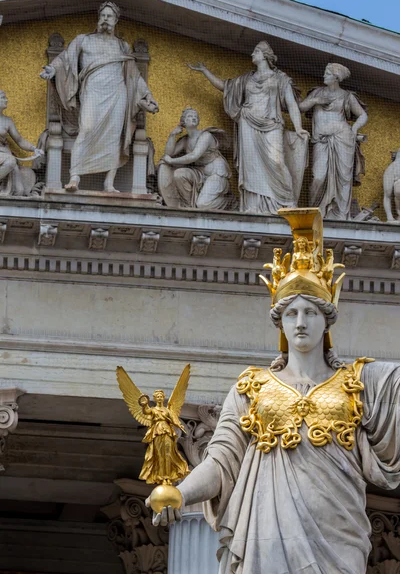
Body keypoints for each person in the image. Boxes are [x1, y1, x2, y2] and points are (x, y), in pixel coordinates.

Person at [150, 208, 400, 574]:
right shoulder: (253, 387)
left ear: (327, 319)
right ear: (279, 322)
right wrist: (181, 493)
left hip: (338, 535)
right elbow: (220, 462)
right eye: (292, 313)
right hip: (267, 536)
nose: (300, 322)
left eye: (311, 312)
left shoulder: (359, 384)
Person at [40, 1, 158, 193]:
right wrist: (52, 69)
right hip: (93, 91)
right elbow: (65, 59)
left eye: (109, 16)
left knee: (115, 136)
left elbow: (134, 75)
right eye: (102, 15)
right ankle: (74, 178)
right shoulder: (83, 40)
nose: (105, 19)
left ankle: (109, 184)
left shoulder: (122, 45)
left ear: (116, 20)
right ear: (98, 18)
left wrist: (147, 96)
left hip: (117, 93)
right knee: (86, 128)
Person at [188, 41, 309, 214]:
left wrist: (298, 128)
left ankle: (288, 201)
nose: (252, 54)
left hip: (272, 124)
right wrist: (205, 71)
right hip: (247, 123)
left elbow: (291, 103)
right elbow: (225, 87)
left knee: (277, 162)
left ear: (264, 55)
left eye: (255, 51)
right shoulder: (246, 79)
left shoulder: (280, 79)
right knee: (251, 166)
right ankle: (254, 205)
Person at [299, 63, 368, 220]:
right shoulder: (318, 92)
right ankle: (315, 213)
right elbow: (301, 107)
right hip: (321, 141)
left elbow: (363, 115)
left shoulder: (346, 96)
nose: (324, 76)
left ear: (336, 77)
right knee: (319, 176)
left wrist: (354, 129)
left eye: (327, 73)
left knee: (343, 179)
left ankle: (340, 215)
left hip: (343, 140)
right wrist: (316, 100)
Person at [158, 107, 237, 210]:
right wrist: (173, 135)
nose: (194, 118)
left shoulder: (206, 136)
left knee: (203, 205)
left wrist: (172, 161)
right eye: (190, 116)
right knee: (179, 174)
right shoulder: (185, 140)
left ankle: (230, 201)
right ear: (183, 122)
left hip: (215, 172)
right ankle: (189, 206)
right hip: (200, 173)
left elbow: (194, 156)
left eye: (196, 116)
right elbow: (169, 153)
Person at [0, 90, 43, 195]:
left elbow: (19, 140)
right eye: (3, 97)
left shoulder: (7, 121)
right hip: (6, 158)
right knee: (10, 161)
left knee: (19, 190)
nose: (6, 100)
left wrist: (34, 149)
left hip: (4, 153)